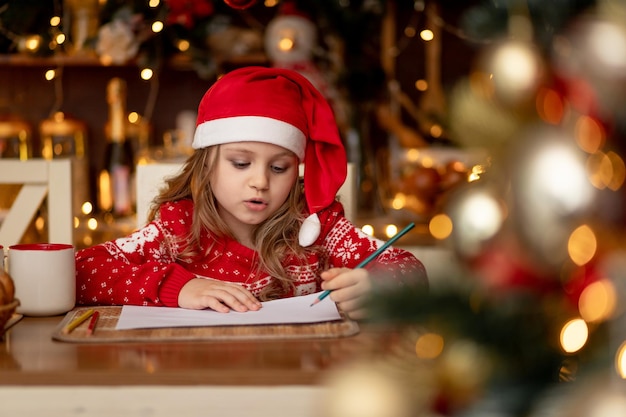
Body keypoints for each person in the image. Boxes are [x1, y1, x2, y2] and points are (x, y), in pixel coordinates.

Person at [75, 66, 427, 319]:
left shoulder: (317, 225)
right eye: (241, 163)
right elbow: (82, 270)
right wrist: (178, 288)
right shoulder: (178, 226)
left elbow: (409, 270)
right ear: (207, 164)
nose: (260, 181)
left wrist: (375, 285)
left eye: (278, 168)